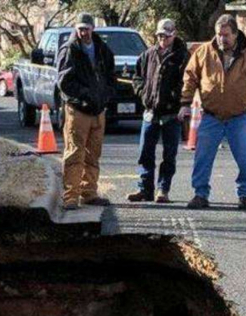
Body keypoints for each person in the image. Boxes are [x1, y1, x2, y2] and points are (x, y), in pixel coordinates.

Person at [179, 14, 246, 210]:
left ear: (236, 34)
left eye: (226, 35)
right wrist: (185, 102)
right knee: (202, 157)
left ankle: (245, 194)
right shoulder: (204, 52)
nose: (222, 39)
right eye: (219, 35)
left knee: (245, 158)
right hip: (211, 115)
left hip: (239, 117)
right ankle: (200, 194)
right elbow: (190, 77)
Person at [56, 12, 116, 210]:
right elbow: (64, 82)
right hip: (78, 111)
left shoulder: (103, 49)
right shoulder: (69, 50)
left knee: (93, 154)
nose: (83, 32)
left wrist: (105, 95)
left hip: (98, 111)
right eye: (80, 29)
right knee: (74, 153)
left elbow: (110, 76)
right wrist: (85, 95)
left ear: (93, 28)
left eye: (86, 28)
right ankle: (70, 196)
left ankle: (89, 192)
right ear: (76, 29)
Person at [127, 19, 190, 203]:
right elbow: (136, 77)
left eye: (167, 36)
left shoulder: (183, 57)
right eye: (160, 35)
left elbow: (188, 82)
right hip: (150, 112)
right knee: (145, 152)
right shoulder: (148, 55)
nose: (163, 39)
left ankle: (163, 189)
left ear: (174, 35)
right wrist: (143, 93)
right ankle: (144, 189)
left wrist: (179, 100)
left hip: (172, 113)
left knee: (169, 155)